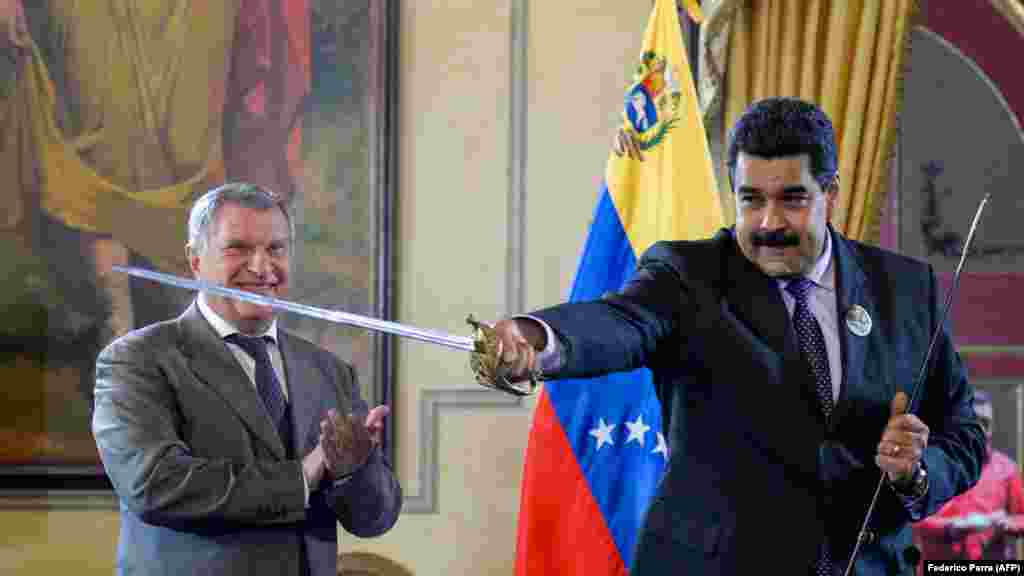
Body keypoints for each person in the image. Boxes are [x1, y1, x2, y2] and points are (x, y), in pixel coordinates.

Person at [492, 97, 985, 575]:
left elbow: (962, 431)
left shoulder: (904, 288)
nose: (769, 223)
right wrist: (539, 338)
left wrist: (916, 474)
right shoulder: (687, 275)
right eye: (751, 200)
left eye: (792, 199)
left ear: (830, 193)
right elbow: (620, 321)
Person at [91, 182, 401, 576]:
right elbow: (153, 484)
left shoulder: (328, 370)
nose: (261, 267)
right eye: (238, 247)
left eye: (276, 249)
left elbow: (375, 519)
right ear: (195, 260)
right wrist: (303, 475)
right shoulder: (137, 359)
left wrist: (355, 471)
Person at [913, 390, 1024, 567]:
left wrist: (1007, 523)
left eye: (986, 424)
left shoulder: (1007, 469)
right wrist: (954, 527)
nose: (980, 430)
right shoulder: (933, 464)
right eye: (975, 423)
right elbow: (915, 518)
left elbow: (1021, 517)